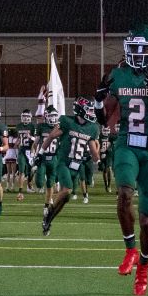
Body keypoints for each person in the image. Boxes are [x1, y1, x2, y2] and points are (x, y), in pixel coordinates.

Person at [94, 23, 148, 296]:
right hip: (126, 142)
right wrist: (97, 103)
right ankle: (130, 249)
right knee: (123, 195)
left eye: (143, 48)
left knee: (146, 220)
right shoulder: (119, 75)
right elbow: (104, 119)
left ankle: (143, 266)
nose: (139, 54)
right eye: (134, 49)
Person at [41, 97, 100, 235]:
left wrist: (97, 156)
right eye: (89, 110)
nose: (91, 113)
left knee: (65, 198)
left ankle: (48, 219)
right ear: (80, 110)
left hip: (77, 166)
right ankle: (49, 212)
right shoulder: (68, 122)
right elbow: (51, 136)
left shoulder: (92, 128)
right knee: (67, 190)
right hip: (63, 163)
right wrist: (40, 153)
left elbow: (94, 154)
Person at [33, 106, 60, 206]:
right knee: (39, 183)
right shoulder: (41, 127)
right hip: (43, 157)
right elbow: (36, 142)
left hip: (54, 157)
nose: (53, 118)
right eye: (51, 115)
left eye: (54, 116)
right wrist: (34, 154)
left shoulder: (59, 127)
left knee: (50, 182)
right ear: (46, 116)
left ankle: (49, 200)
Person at [15, 109, 36, 201]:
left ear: (30, 117)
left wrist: (30, 137)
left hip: (30, 150)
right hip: (22, 150)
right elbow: (19, 138)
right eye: (24, 116)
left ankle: (29, 185)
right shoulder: (19, 126)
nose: (25, 118)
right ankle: (20, 191)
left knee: (31, 170)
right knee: (21, 171)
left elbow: (36, 139)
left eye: (27, 116)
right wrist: (17, 143)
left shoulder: (33, 126)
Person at [98, 124, 116, 193]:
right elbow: (97, 145)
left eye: (107, 130)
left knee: (109, 168)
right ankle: (106, 185)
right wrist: (100, 153)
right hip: (102, 154)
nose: (105, 132)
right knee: (104, 170)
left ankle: (109, 185)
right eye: (104, 130)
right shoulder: (99, 136)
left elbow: (114, 142)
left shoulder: (111, 136)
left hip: (109, 154)